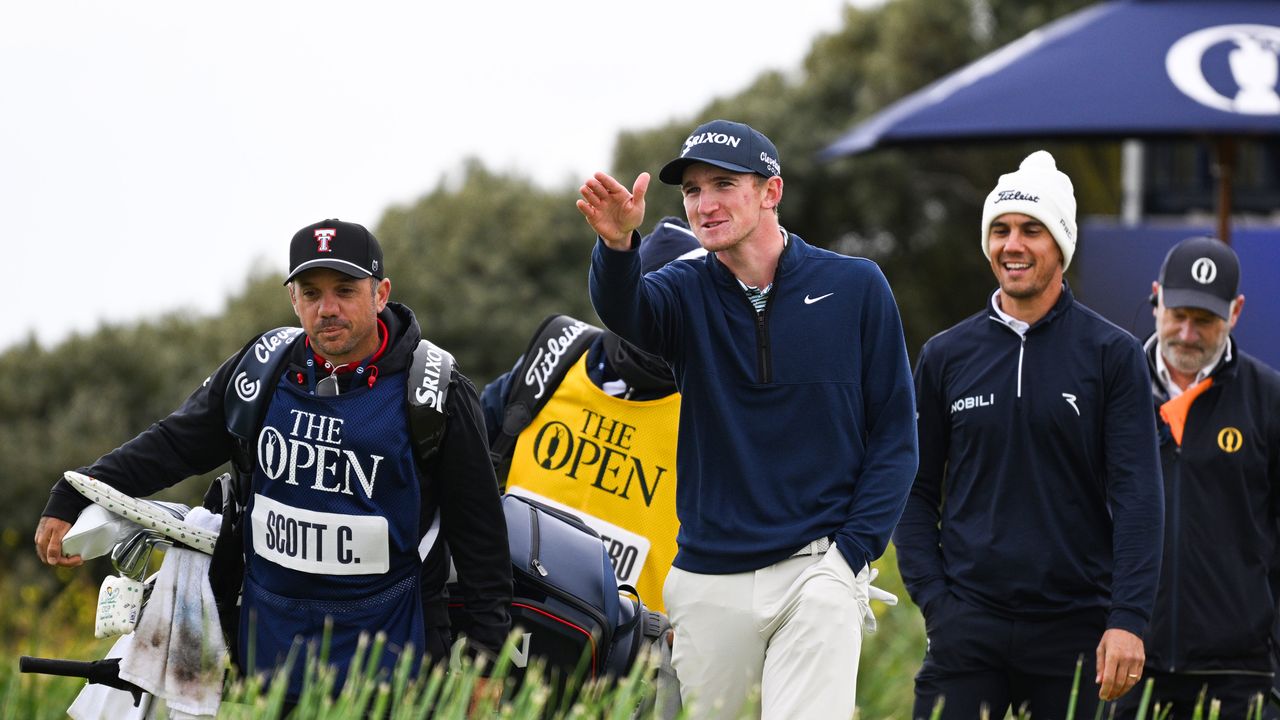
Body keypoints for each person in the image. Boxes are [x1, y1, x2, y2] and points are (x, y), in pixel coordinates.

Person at [33, 219, 512, 700]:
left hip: (389, 662)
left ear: (380, 294)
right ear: (293, 300)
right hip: (268, 655)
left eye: (345, 290)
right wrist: (75, 491)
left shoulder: (434, 392)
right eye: (311, 292)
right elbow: (174, 444)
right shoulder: (262, 369)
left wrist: (485, 667)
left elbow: (481, 541)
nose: (327, 308)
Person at [576, 119, 918, 719]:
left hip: (818, 570)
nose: (704, 205)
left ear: (771, 192)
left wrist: (852, 555)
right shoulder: (682, 291)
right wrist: (617, 246)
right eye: (692, 191)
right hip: (709, 580)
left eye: (723, 185)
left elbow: (895, 434)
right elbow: (627, 310)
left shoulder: (856, 287)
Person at [894, 150, 1165, 718]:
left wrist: (1128, 620)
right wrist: (937, 603)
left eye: (1031, 230)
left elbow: (1139, 496)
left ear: (1061, 245)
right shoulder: (945, 355)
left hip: (1081, 630)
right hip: (968, 627)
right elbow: (912, 490)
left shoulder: (1112, 355)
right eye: (1000, 229)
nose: (1012, 245)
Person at [481, 216, 705, 612]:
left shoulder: (716, 409)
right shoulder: (552, 360)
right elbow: (454, 464)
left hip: (634, 658)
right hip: (503, 626)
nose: (658, 325)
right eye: (649, 303)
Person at [1113, 236, 1280, 719]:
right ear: (1156, 296)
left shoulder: (1268, 400)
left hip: (1241, 677)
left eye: (1205, 320)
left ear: (1237, 310)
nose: (1187, 333)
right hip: (1125, 668)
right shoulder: (1109, 392)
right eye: (1178, 314)